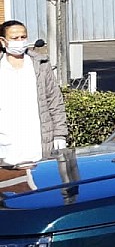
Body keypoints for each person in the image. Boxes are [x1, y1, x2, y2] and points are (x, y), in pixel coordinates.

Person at [0, 20, 68, 168]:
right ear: (3, 41)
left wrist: (59, 134)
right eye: (15, 38)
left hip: (37, 148)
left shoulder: (40, 65)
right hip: (6, 150)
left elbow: (55, 101)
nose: (20, 41)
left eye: (23, 37)